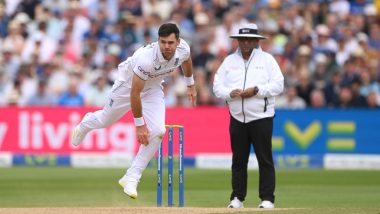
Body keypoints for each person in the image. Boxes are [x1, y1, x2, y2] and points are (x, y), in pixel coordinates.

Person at [71, 23, 197, 199]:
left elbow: (187, 59)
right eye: (163, 42)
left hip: (152, 88)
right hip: (127, 86)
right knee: (105, 120)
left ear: (178, 41)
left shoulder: (183, 48)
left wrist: (190, 84)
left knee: (159, 131)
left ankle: (132, 176)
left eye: (170, 42)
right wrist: (139, 125)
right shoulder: (146, 58)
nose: (167, 47)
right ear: (158, 40)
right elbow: (134, 93)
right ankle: (85, 124)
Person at [213, 23, 284, 209]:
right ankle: (237, 198)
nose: (245, 42)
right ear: (237, 40)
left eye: (249, 39)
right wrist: (230, 93)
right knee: (238, 161)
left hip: (261, 117)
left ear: (256, 41)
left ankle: (267, 199)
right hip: (237, 117)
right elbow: (217, 86)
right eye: (242, 39)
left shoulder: (267, 60)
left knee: (264, 159)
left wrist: (257, 90)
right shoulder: (229, 61)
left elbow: (278, 85)